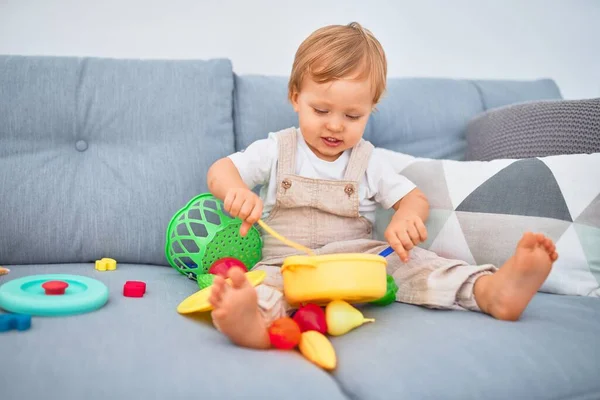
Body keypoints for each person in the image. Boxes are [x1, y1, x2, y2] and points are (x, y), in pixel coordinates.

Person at [205, 22, 558, 349]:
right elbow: (221, 170)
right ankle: (252, 322)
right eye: (321, 111)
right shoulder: (276, 149)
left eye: (352, 116)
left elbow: (412, 198)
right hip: (287, 263)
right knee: (263, 287)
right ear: (295, 97)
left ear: (370, 110)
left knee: (418, 264)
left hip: (359, 262)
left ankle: (489, 291)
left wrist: (407, 217)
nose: (335, 126)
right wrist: (235, 190)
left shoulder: (367, 160)